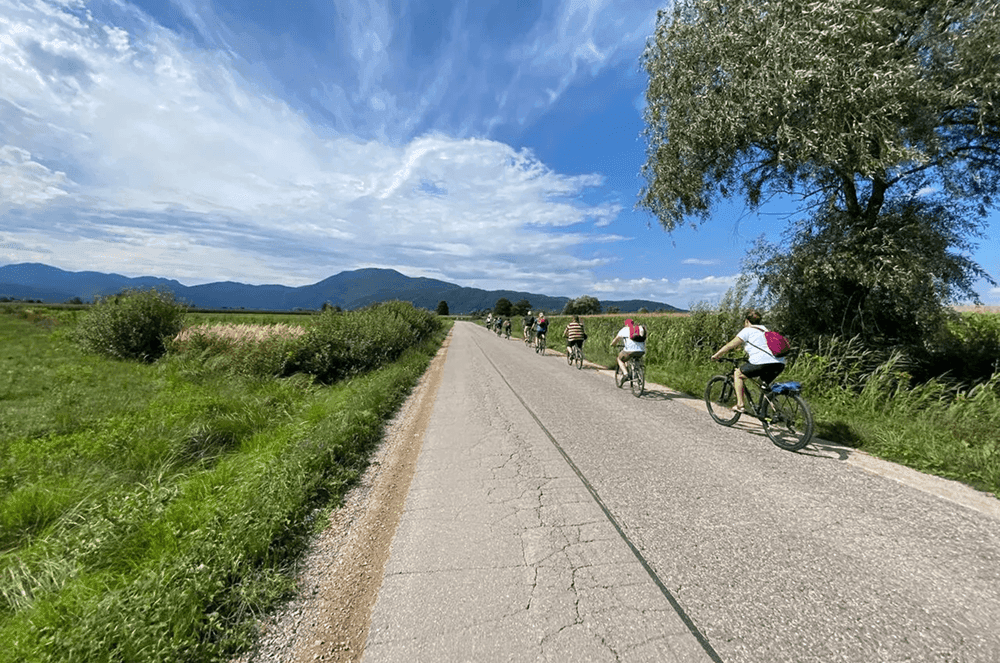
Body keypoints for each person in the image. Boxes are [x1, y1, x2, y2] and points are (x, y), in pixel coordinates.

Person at [710, 309, 786, 412]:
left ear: (746, 321)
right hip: (779, 363)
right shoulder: (766, 330)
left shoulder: (747, 330)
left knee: (738, 374)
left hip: (762, 362)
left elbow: (730, 345)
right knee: (764, 385)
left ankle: (740, 405)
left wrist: (716, 355)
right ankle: (774, 411)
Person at [611, 318, 646, 383]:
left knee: (620, 359)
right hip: (642, 350)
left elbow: (616, 339)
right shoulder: (639, 328)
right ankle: (636, 373)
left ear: (626, 324)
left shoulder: (624, 330)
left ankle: (625, 374)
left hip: (629, 350)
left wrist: (612, 344)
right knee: (634, 358)